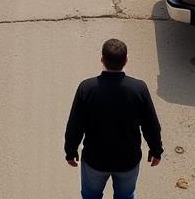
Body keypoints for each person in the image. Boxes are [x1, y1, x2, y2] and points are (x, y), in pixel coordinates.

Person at [64, 39, 162, 199]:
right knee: (126, 195)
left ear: (102, 60)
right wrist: (156, 150)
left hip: (95, 160)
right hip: (128, 161)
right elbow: (151, 125)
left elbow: (75, 125)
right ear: (126, 60)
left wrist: (70, 151)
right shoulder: (139, 88)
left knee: (90, 195)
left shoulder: (86, 88)